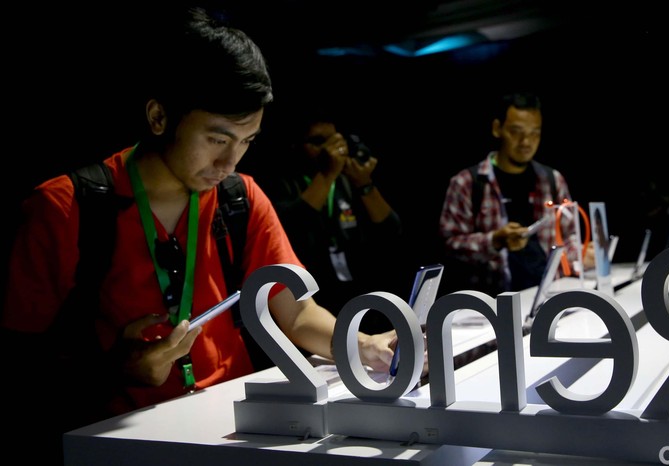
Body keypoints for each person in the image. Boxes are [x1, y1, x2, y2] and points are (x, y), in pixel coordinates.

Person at [0, 8, 395, 464]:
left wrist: (363, 345)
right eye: (217, 139)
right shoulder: (65, 207)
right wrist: (116, 369)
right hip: (117, 445)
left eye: (247, 141)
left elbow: (296, 310)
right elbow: (21, 364)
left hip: (231, 434)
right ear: (159, 116)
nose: (230, 162)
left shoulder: (241, 197)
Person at [438, 92, 593, 297]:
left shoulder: (553, 180)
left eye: (534, 133)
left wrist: (582, 254)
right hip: (491, 301)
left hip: (547, 295)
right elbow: (450, 246)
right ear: (497, 128)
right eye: (516, 131)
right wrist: (494, 241)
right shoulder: (467, 183)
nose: (526, 141)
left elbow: (568, 237)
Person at [264, 108, 403, 335]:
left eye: (335, 140)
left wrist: (364, 184)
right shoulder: (282, 183)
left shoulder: (347, 180)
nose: (331, 150)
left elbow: (390, 229)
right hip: (313, 298)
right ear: (295, 145)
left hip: (358, 293)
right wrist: (327, 175)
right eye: (319, 142)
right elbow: (293, 227)